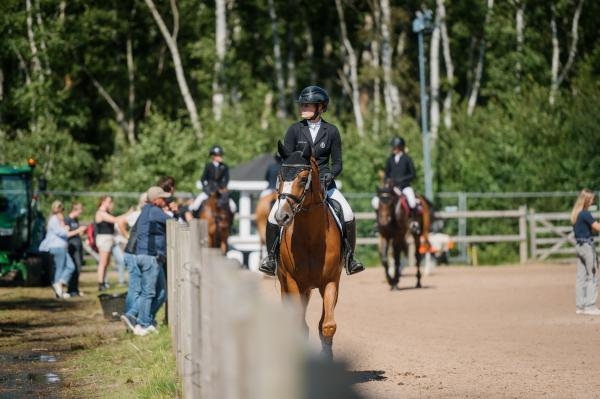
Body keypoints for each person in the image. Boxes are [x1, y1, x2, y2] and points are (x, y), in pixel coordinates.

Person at [258, 85, 364, 276]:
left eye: (308, 105)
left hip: (325, 184)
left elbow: (338, 163)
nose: (303, 108)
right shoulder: (294, 130)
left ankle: (350, 258)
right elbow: (287, 161)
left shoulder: (332, 131)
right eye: (303, 104)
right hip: (298, 185)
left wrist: (329, 176)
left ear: (321, 107)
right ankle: (271, 258)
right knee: (273, 214)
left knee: (347, 213)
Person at [126, 186, 176, 336]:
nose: (165, 200)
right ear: (156, 199)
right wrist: (175, 212)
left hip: (149, 256)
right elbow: (172, 221)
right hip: (150, 257)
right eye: (163, 198)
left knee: (161, 293)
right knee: (149, 293)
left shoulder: (148, 210)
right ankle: (142, 324)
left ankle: (143, 319)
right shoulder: (154, 211)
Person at [39, 200, 86, 298]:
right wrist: (70, 229)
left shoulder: (57, 219)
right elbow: (62, 233)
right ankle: (58, 290)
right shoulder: (54, 219)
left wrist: (65, 228)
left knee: (70, 267)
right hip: (56, 246)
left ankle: (59, 286)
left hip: (62, 246)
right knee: (60, 269)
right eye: (61, 211)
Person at [571, 188, 600, 316]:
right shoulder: (585, 214)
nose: (593, 201)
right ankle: (590, 306)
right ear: (587, 200)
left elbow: (587, 229)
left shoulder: (576, 214)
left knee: (581, 277)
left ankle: (580, 306)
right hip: (587, 247)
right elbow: (597, 227)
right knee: (593, 276)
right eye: (592, 199)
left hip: (579, 246)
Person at [384, 136, 420, 234]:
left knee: (412, 202)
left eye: (394, 147)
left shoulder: (407, 159)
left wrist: (401, 180)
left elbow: (412, 174)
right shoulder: (390, 159)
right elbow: (386, 174)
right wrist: (387, 180)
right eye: (393, 147)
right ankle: (380, 223)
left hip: (404, 187)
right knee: (380, 201)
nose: (393, 149)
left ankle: (414, 222)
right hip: (392, 188)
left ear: (400, 148)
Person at [94, 196, 130, 291]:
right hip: (104, 239)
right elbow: (115, 220)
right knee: (103, 263)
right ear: (103, 201)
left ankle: (103, 283)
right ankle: (101, 283)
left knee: (106, 263)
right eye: (109, 201)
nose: (110, 203)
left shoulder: (106, 212)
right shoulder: (100, 213)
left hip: (109, 239)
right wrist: (128, 214)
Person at [189, 145, 237, 213]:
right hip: (209, 189)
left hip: (220, 190)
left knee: (233, 206)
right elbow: (203, 179)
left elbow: (227, 179)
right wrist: (206, 189)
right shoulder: (208, 166)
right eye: (219, 155)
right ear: (213, 156)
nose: (221, 157)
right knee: (196, 205)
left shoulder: (224, 167)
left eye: (221, 155)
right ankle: (194, 216)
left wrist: (223, 188)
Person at [64, 202, 85, 297]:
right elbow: (66, 234)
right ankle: (70, 290)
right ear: (75, 209)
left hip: (78, 246)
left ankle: (75, 289)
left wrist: (81, 232)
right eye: (80, 211)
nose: (81, 213)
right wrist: (78, 230)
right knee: (74, 268)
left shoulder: (76, 220)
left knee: (78, 268)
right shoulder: (67, 220)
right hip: (72, 247)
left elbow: (76, 233)